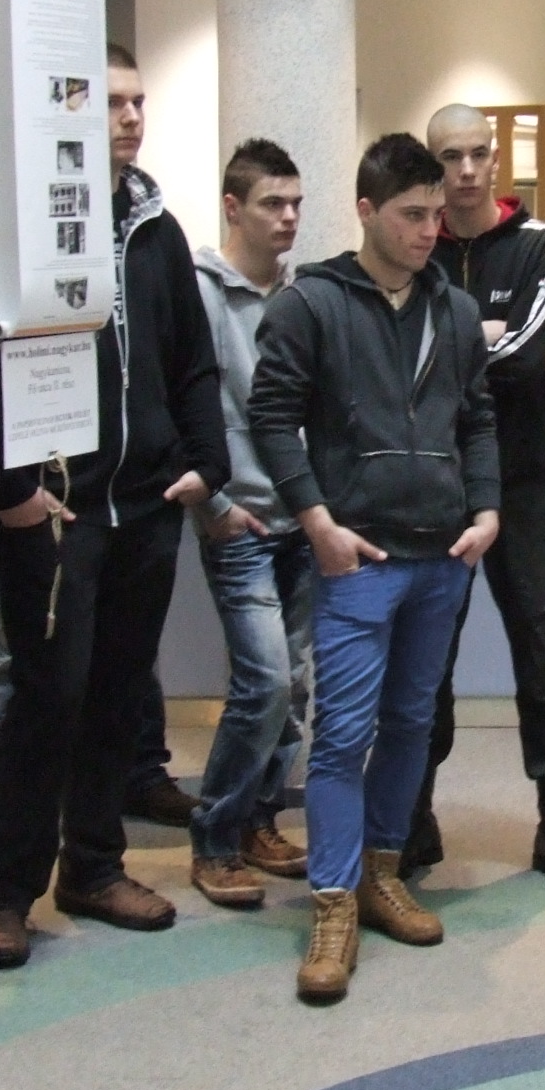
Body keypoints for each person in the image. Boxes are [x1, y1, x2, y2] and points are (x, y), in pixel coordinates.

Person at [0, 45, 228, 971]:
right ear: (67, 111)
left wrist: (205, 463)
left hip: (147, 505)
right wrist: (8, 488)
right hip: (55, 510)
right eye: (111, 103)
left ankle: (94, 867)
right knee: (47, 698)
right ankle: (5, 891)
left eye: (138, 102)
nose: (131, 118)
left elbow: (192, 360)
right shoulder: (9, 227)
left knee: (118, 693)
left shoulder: (157, 230)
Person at [248, 132, 501, 1004]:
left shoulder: (455, 312)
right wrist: (315, 521)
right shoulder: (310, 305)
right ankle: (332, 902)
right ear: (365, 210)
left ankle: (380, 874)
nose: (431, 230)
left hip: (443, 557)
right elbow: (271, 418)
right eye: (412, 215)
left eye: (437, 216)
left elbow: (477, 419)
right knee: (343, 736)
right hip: (358, 557)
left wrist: (487, 509)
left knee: (410, 726)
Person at [406, 106, 545, 894]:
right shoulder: (413, 246)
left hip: (521, 485)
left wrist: (447, 348)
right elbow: (391, 360)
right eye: (449, 156)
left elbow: (523, 359)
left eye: (477, 154)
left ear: (496, 160)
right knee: (425, 661)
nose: (465, 170)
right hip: (434, 489)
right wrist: (479, 332)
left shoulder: (540, 245)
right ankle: (414, 816)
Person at [184, 139, 316, 909]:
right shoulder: (200, 294)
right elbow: (182, 405)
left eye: (296, 203)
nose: (288, 217)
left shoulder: (304, 294)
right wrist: (213, 507)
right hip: (240, 522)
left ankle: (260, 819)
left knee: (292, 684)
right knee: (263, 682)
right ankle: (215, 836)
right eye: (272, 203)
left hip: (304, 519)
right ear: (233, 208)